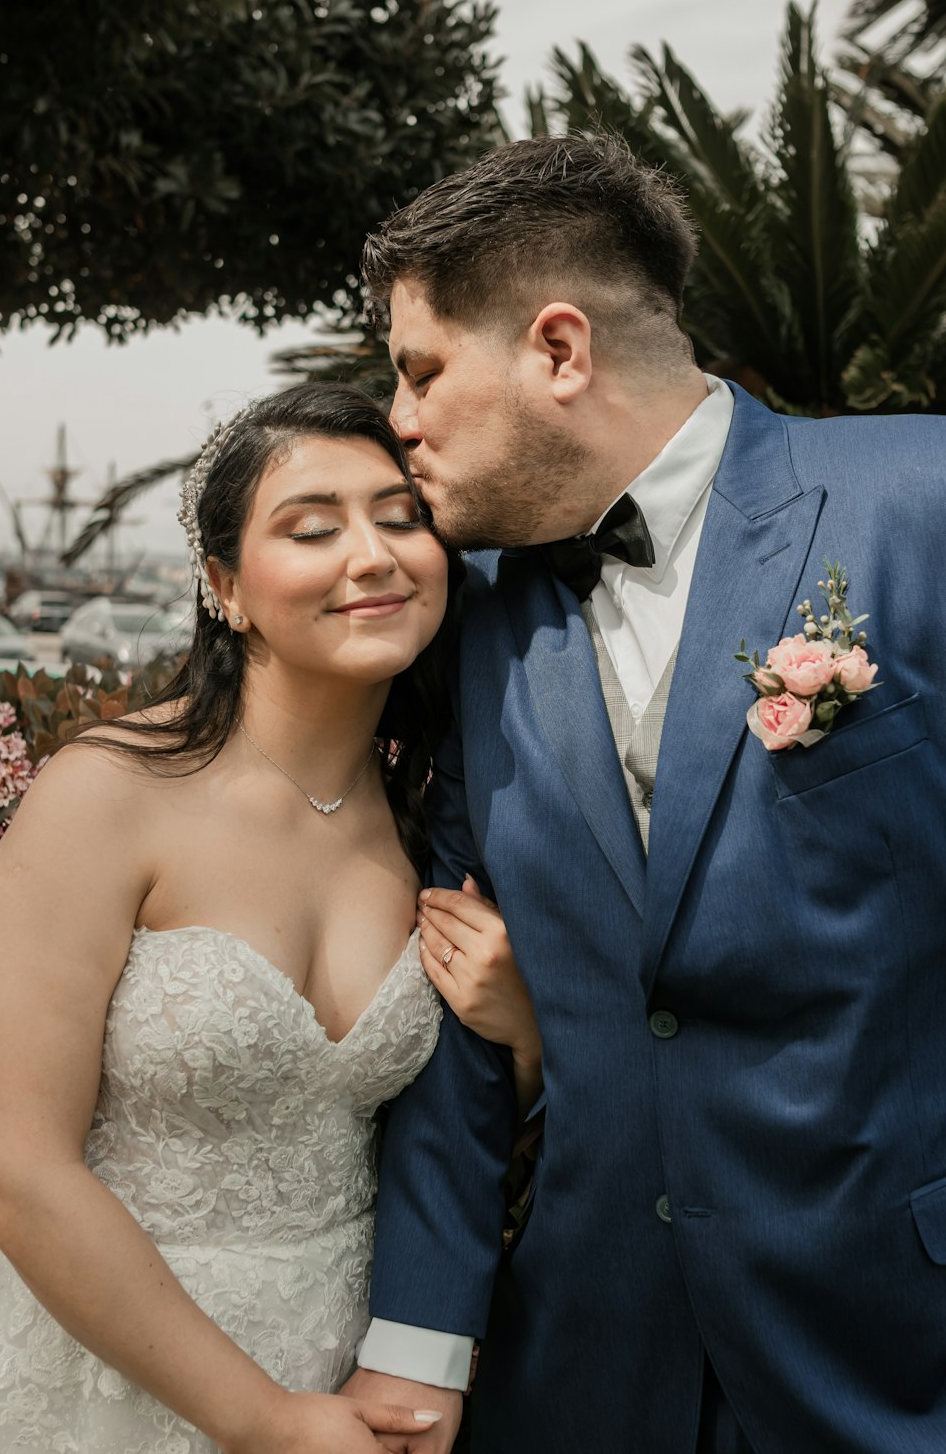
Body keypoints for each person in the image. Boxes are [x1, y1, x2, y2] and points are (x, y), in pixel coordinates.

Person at [340, 134, 946, 1453]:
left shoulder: (925, 502)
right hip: (586, 1373)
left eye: (423, 370)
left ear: (560, 351)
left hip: (898, 1347)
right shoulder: (470, 617)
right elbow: (446, 1012)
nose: (400, 421)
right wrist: (420, 1344)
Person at [0, 385, 541, 1454]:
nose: (371, 555)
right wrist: (263, 1422)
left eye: (401, 518)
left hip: (341, 1363)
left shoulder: (435, 824)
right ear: (224, 586)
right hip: (100, 1374)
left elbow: (452, 1130)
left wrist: (524, 1032)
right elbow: (14, 1169)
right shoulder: (107, 795)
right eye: (312, 529)